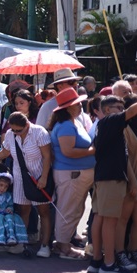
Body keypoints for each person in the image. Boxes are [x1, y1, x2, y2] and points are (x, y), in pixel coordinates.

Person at [0, 112, 54, 257]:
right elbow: (5, 152)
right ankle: (21, 243)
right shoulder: (11, 135)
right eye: (13, 130)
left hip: (38, 176)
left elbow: (47, 156)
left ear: (27, 125)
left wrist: (44, 177)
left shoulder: (39, 132)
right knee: (23, 210)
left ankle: (45, 245)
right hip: (20, 177)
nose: (15, 133)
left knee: (43, 211)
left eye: (18, 130)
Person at [90, 95, 137, 273]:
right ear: (108, 110)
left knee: (100, 218)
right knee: (110, 221)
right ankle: (109, 264)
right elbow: (133, 110)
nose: (122, 109)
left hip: (104, 177)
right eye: (118, 106)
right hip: (111, 179)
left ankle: (96, 260)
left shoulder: (105, 126)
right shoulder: (110, 121)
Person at [47, 88, 95, 260]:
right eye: (77, 103)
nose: (81, 106)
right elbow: (68, 151)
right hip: (71, 174)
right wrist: (93, 151)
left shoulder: (73, 122)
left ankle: (63, 243)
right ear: (68, 107)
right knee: (68, 210)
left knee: (74, 209)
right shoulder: (66, 125)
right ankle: (63, 246)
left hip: (75, 174)